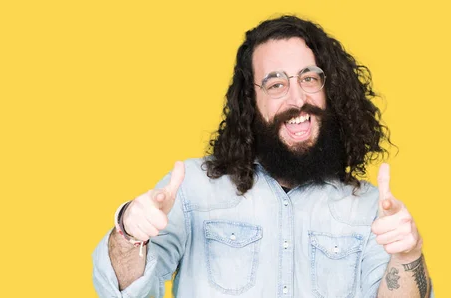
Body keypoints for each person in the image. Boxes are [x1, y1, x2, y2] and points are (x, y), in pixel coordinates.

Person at [92, 15, 433, 297]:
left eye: (309, 78)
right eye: (275, 85)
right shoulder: (192, 189)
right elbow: (121, 292)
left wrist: (408, 254)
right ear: (250, 102)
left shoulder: (369, 208)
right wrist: (128, 233)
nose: (297, 99)